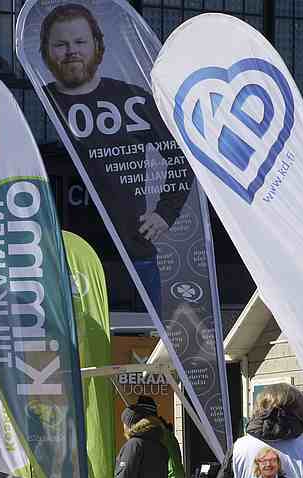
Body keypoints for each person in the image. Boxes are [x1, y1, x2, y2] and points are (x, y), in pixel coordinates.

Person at [38, 4, 191, 314]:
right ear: (46, 52)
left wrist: (165, 212)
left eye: (79, 42)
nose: (71, 52)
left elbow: (181, 158)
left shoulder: (131, 100)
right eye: (61, 44)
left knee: (140, 352)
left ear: (98, 45)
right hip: (61, 262)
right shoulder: (39, 104)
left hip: (132, 257)